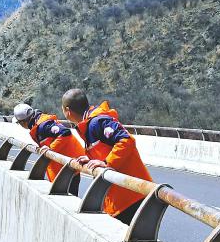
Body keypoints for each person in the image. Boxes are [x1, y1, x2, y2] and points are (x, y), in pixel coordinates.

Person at [60, 89, 153, 224]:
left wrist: (107, 162)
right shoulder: (89, 124)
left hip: (132, 196)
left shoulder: (97, 122)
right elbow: (106, 147)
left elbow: (126, 140)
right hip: (121, 196)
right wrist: (92, 160)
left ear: (67, 110)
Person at [13, 103, 85, 182]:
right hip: (65, 165)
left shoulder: (43, 126)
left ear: (23, 122)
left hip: (69, 165)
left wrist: (50, 149)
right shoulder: (37, 126)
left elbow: (65, 132)